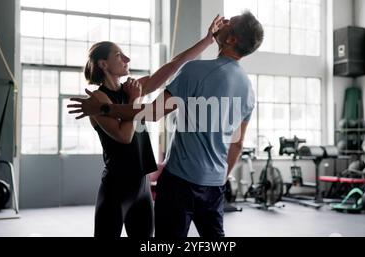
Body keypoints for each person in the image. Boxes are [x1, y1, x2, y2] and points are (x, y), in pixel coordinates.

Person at [69, 11, 263, 238]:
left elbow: (173, 66)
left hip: (144, 183)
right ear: (103, 64)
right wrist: (132, 101)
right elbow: (125, 136)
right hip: (117, 186)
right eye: (120, 55)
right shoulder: (99, 99)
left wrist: (206, 40)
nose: (127, 59)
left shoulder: (132, 89)